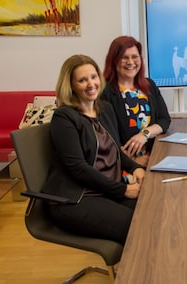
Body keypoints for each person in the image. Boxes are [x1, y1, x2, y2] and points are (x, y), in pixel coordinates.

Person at [43, 54, 145, 245]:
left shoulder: (103, 109)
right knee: (138, 226)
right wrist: (123, 190)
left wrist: (136, 168)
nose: (91, 84)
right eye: (82, 80)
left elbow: (115, 150)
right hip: (77, 198)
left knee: (153, 211)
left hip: (106, 190)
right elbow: (79, 168)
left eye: (93, 77)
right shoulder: (64, 118)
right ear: (71, 85)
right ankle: (135, 274)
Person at [101, 36, 171, 166]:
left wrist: (144, 134)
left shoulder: (149, 85)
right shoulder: (105, 92)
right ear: (114, 60)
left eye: (134, 57)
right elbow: (107, 138)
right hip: (123, 164)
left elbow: (164, 119)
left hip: (154, 157)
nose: (130, 62)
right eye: (124, 57)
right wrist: (133, 162)